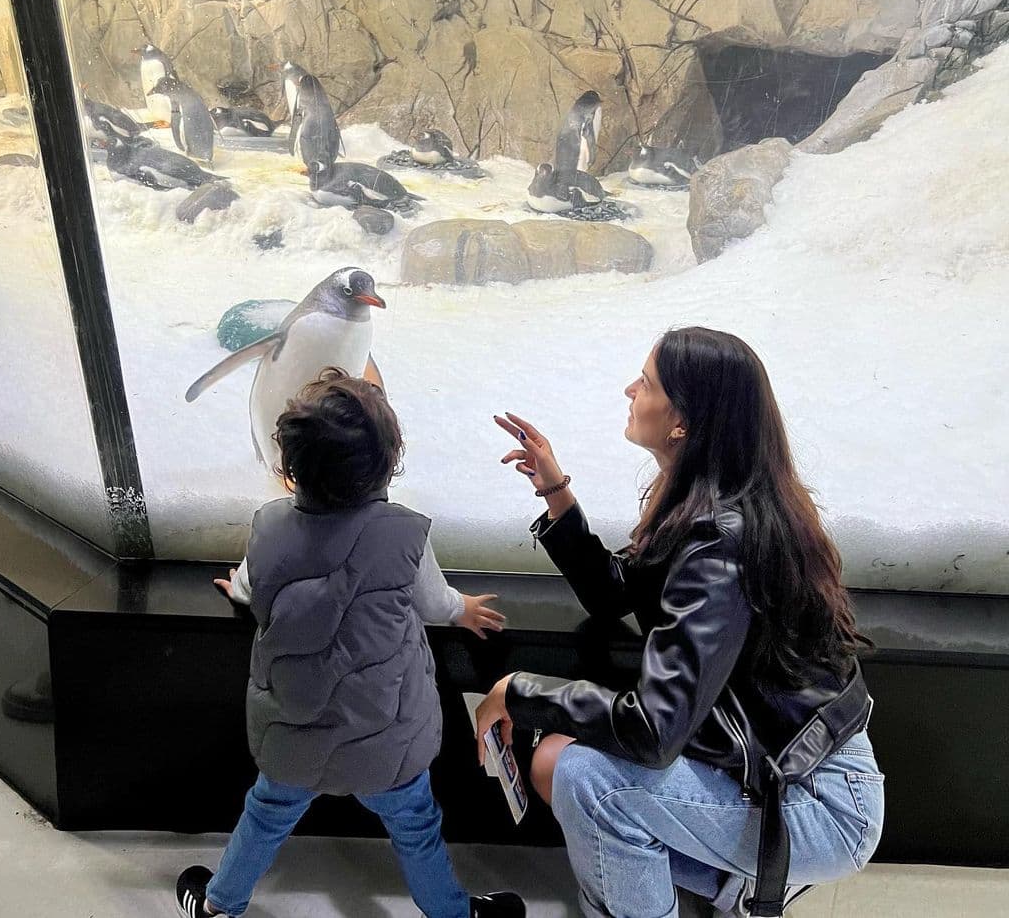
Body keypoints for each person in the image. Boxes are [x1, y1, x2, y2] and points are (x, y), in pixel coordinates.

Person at [475, 327, 884, 918]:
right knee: (555, 760)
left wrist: (519, 692)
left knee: (591, 779)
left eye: (646, 382)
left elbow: (654, 731)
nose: (629, 389)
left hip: (814, 799)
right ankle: (728, 891)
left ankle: (724, 887)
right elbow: (613, 593)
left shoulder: (721, 542)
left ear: (683, 422)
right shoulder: (708, 502)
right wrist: (556, 493)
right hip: (772, 766)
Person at [176, 367, 524, 918]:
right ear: (387, 463)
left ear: (290, 466)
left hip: (294, 734)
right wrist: (465, 610)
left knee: (266, 813)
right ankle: (453, 914)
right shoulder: (405, 533)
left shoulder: (267, 526)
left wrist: (238, 590)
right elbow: (434, 604)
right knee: (416, 827)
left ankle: (220, 906)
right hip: (385, 739)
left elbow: (247, 584)